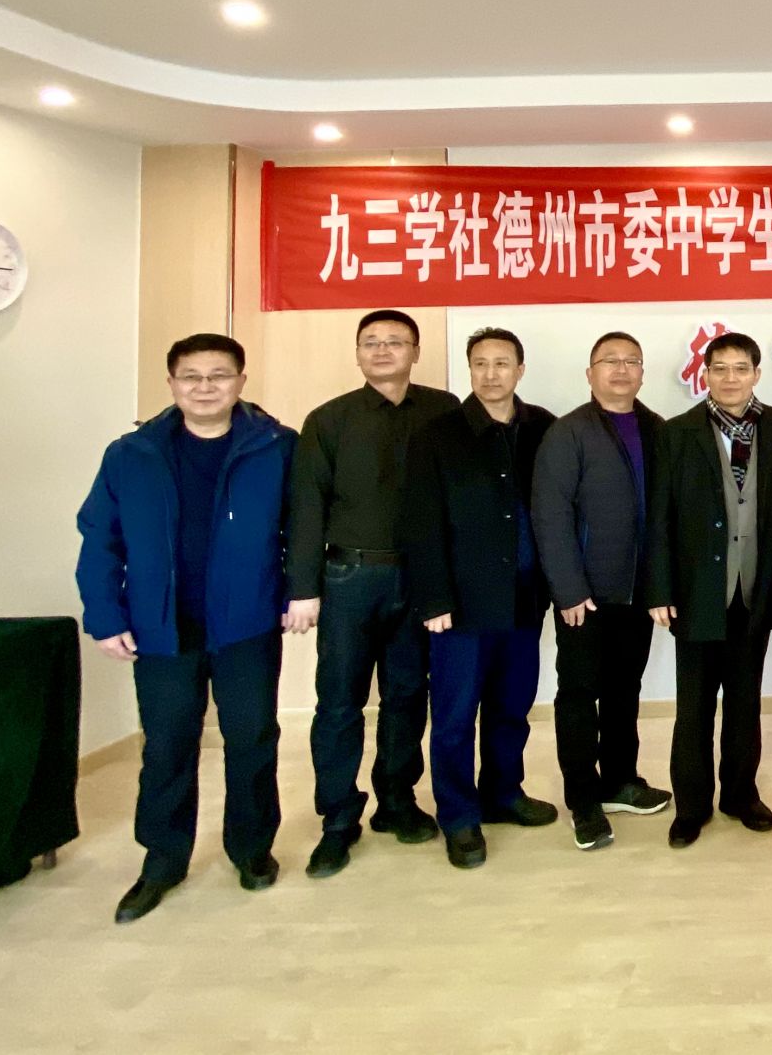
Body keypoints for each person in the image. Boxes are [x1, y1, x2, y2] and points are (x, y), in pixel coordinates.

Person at [75, 333, 298, 922]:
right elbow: (100, 538)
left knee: (252, 738)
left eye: (219, 375)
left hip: (247, 622)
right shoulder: (131, 454)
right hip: (161, 626)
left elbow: (302, 526)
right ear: (171, 383)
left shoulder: (277, 447)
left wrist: (298, 592)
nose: (205, 387)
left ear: (241, 381)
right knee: (168, 745)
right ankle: (162, 860)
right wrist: (105, 615)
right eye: (191, 376)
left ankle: (251, 849)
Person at [286, 310, 460, 878]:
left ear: (416, 351)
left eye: (395, 341)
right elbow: (307, 507)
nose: (382, 350)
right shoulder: (328, 419)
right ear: (358, 352)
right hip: (349, 578)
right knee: (339, 702)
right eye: (371, 342)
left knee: (408, 694)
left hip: (420, 579)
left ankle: (397, 801)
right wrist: (302, 588)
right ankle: (338, 820)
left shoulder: (445, 411)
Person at [403, 327, 558, 869]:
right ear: (469, 370)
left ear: (520, 369)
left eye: (502, 363)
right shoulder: (437, 434)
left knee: (511, 706)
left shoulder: (543, 428)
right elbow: (421, 522)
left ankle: (503, 793)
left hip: (524, 597)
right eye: (480, 363)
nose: (491, 374)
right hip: (462, 606)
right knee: (453, 716)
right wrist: (433, 599)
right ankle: (459, 816)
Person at [646, 332, 772, 850]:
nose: (730, 378)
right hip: (695, 592)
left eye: (740, 368)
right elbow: (659, 517)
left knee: (744, 703)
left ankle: (740, 796)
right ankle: (691, 807)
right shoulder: (676, 432)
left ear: (757, 374)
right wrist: (660, 589)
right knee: (693, 708)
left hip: (756, 589)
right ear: (705, 374)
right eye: (720, 368)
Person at [531, 331, 673, 852]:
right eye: (609, 360)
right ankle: (583, 801)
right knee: (578, 694)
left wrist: (661, 585)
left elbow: (667, 514)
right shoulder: (568, 432)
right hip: (584, 596)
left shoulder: (659, 430)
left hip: (638, 592)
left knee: (624, 690)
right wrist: (568, 589)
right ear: (589, 374)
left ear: (642, 372)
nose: (620, 369)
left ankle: (619, 780)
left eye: (631, 360)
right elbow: (550, 513)